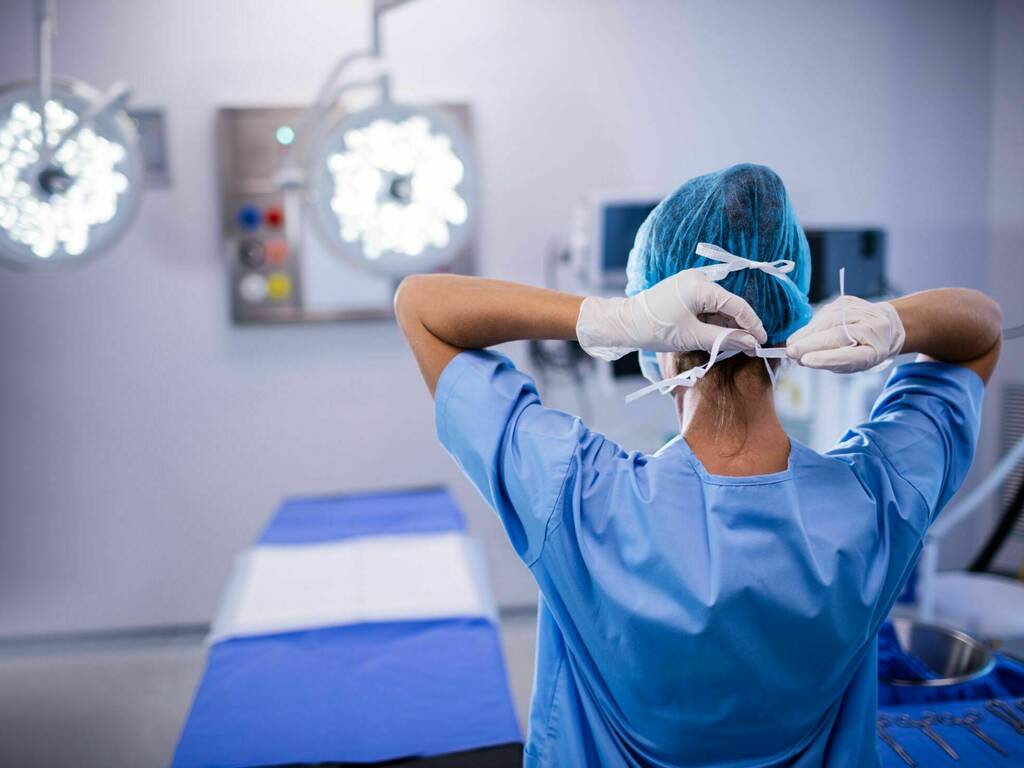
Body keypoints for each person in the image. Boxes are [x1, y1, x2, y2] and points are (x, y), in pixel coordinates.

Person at [394, 164, 1002, 767]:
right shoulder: (877, 501)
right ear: (793, 318)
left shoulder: (576, 496)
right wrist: (895, 322)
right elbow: (980, 332)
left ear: (659, 338)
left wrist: (604, 318)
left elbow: (422, 305)